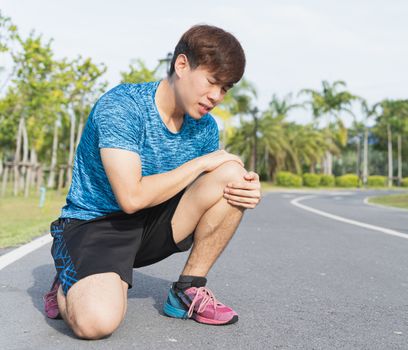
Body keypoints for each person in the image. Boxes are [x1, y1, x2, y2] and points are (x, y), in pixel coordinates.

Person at [42, 24, 261, 339]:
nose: (216, 96)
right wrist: (202, 162)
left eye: (225, 88)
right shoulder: (123, 107)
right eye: (212, 82)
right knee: (95, 323)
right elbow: (130, 198)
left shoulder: (204, 128)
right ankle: (69, 275)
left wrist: (246, 186)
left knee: (231, 173)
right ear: (182, 65)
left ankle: (187, 290)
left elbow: (212, 180)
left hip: (152, 223)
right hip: (98, 225)